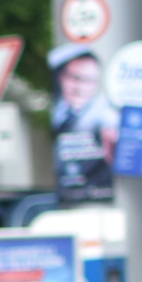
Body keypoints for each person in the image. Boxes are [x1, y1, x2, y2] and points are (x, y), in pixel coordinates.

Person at [49, 46, 116, 198]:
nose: (80, 88)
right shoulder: (57, 109)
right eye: (75, 78)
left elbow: (110, 126)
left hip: (95, 197)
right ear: (61, 77)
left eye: (89, 81)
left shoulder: (103, 113)